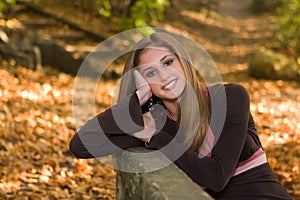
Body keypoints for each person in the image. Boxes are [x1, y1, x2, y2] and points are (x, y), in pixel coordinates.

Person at [69, 31, 293, 199]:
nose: (164, 75)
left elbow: (215, 177)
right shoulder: (154, 121)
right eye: (151, 72)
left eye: (168, 62)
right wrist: (134, 101)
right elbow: (81, 146)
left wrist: (156, 138)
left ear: (183, 62)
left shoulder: (229, 98)